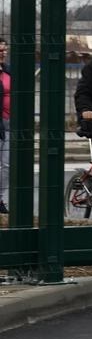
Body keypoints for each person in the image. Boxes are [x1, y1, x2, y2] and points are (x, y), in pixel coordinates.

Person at [0, 37, 10, 215]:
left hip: (10, 123)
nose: (3, 53)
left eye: (4, 49)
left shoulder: (9, 71)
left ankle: (0, 198)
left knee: (7, 165)